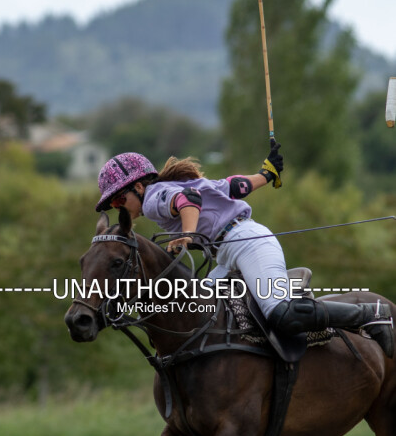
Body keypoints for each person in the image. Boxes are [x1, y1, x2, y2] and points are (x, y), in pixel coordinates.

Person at [95, 149, 394, 358]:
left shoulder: (152, 200)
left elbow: (189, 200)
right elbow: (232, 187)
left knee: (281, 313)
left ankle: (371, 315)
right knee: (196, 313)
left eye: (119, 199)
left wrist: (187, 234)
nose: (119, 207)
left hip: (248, 243)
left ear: (138, 186)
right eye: (113, 205)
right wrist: (267, 174)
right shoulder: (172, 185)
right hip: (228, 254)